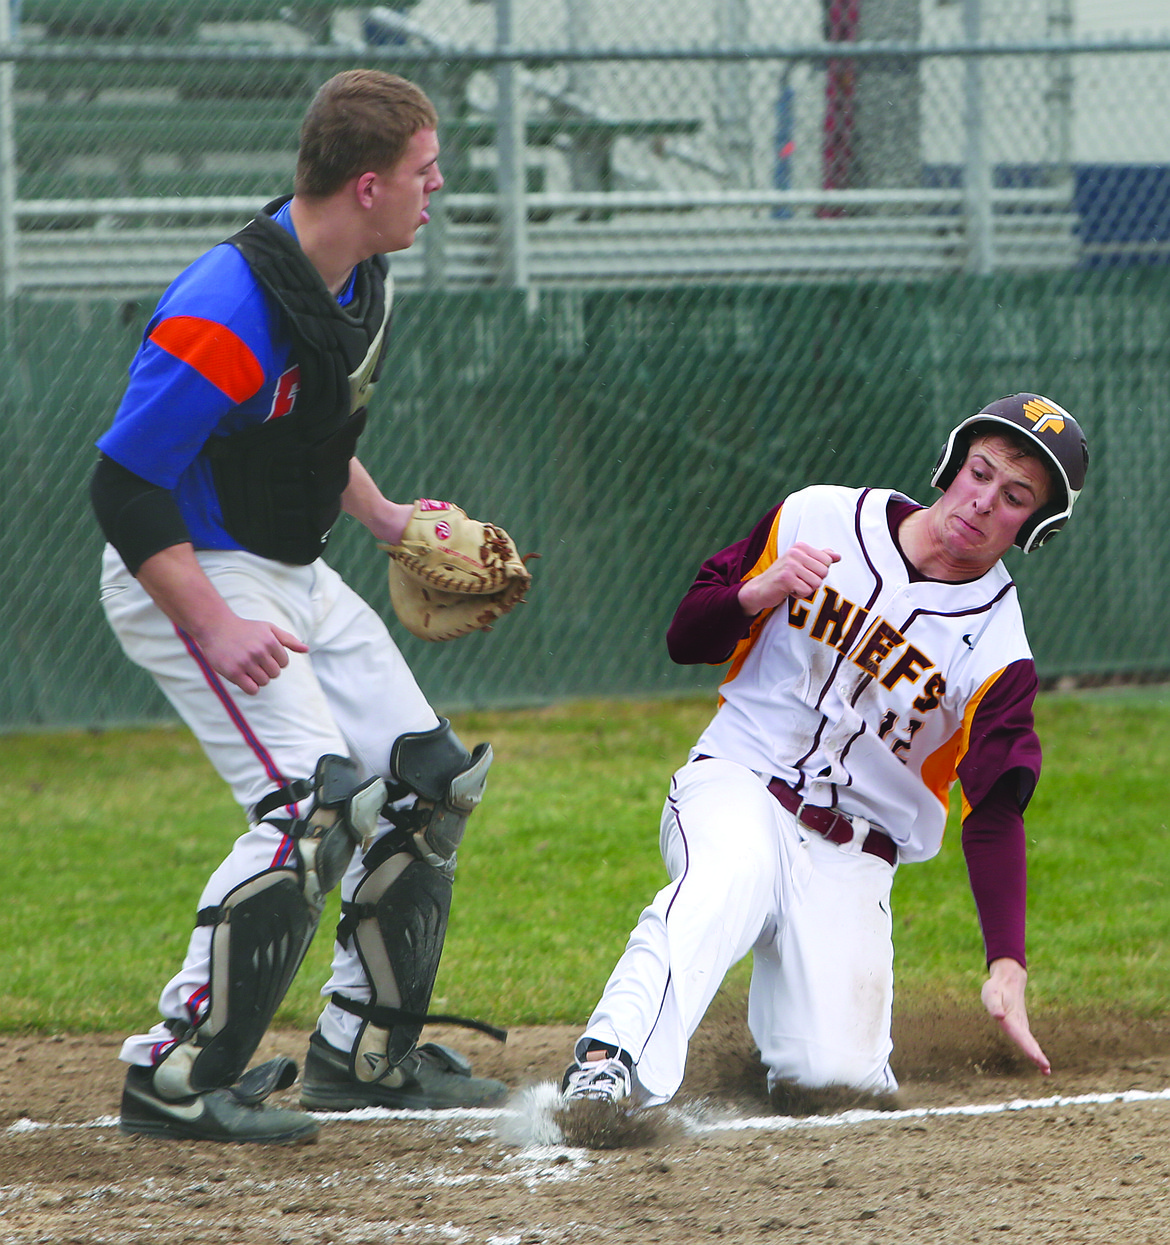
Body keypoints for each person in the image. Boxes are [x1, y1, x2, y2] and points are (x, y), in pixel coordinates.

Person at [90, 70, 509, 1146]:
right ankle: (175, 1070)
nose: (438, 186)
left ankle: (362, 1054)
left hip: (294, 568)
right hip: (192, 573)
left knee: (426, 782)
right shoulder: (225, 308)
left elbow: (319, 432)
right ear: (367, 185)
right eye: (425, 170)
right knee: (312, 808)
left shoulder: (362, 271)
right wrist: (216, 626)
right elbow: (124, 487)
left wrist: (383, 520)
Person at [559, 394, 1089, 1119]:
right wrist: (758, 592)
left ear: (1036, 525)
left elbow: (994, 809)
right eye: (980, 471)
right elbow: (687, 636)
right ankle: (607, 1063)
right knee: (725, 875)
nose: (984, 499)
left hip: (851, 853)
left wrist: (1007, 964)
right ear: (953, 464)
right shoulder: (820, 516)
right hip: (741, 780)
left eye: (1014, 495)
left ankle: (788, 1023)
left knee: (834, 1083)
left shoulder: (998, 650)